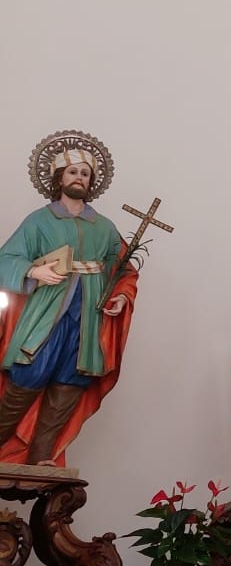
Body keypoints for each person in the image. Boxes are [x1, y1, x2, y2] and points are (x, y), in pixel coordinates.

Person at [0, 130, 137, 466]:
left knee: (69, 382)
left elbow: (123, 270)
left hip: (86, 319)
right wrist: (34, 271)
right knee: (29, 376)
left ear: (92, 182)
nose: (79, 177)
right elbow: (6, 259)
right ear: (59, 178)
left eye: (85, 173)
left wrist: (120, 296)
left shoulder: (103, 227)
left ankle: (41, 460)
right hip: (46, 314)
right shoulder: (39, 220)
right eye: (72, 171)